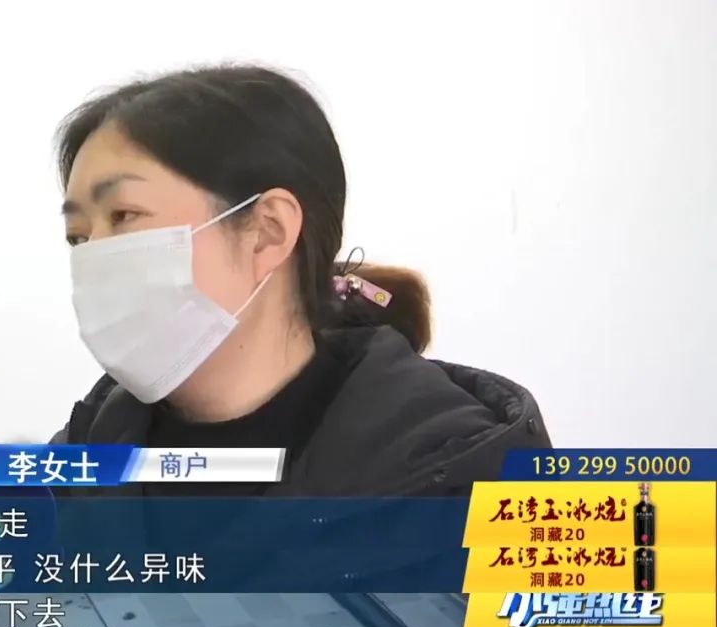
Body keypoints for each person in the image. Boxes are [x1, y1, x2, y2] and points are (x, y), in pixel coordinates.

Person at [50, 64, 551, 497]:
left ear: (268, 231)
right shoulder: (84, 458)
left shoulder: (466, 472)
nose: (93, 257)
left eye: (123, 215)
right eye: (78, 236)